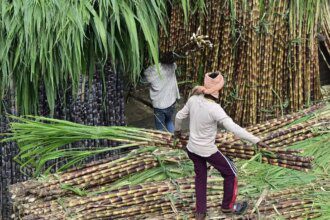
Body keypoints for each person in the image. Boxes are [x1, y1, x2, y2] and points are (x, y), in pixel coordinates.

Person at [174, 71, 268, 220]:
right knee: (231, 172)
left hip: (192, 149)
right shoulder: (214, 108)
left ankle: (201, 212)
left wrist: (177, 132)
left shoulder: (193, 99)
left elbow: (179, 116)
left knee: (200, 177)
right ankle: (227, 206)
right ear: (218, 89)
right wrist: (256, 140)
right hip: (207, 150)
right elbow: (233, 128)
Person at [144, 51, 180, 133]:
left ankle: (161, 143)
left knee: (159, 128)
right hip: (171, 102)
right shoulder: (172, 66)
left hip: (159, 105)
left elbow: (145, 76)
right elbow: (175, 64)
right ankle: (174, 140)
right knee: (169, 121)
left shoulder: (153, 69)